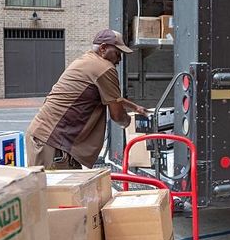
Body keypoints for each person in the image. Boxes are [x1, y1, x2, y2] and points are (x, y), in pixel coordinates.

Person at [25, 29, 148, 170]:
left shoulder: (88, 60)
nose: (119, 60)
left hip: (45, 137)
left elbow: (112, 97)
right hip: (52, 143)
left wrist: (134, 107)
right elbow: (117, 115)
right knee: (56, 191)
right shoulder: (105, 67)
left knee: (66, 189)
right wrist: (131, 123)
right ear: (103, 48)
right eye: (117, 53)